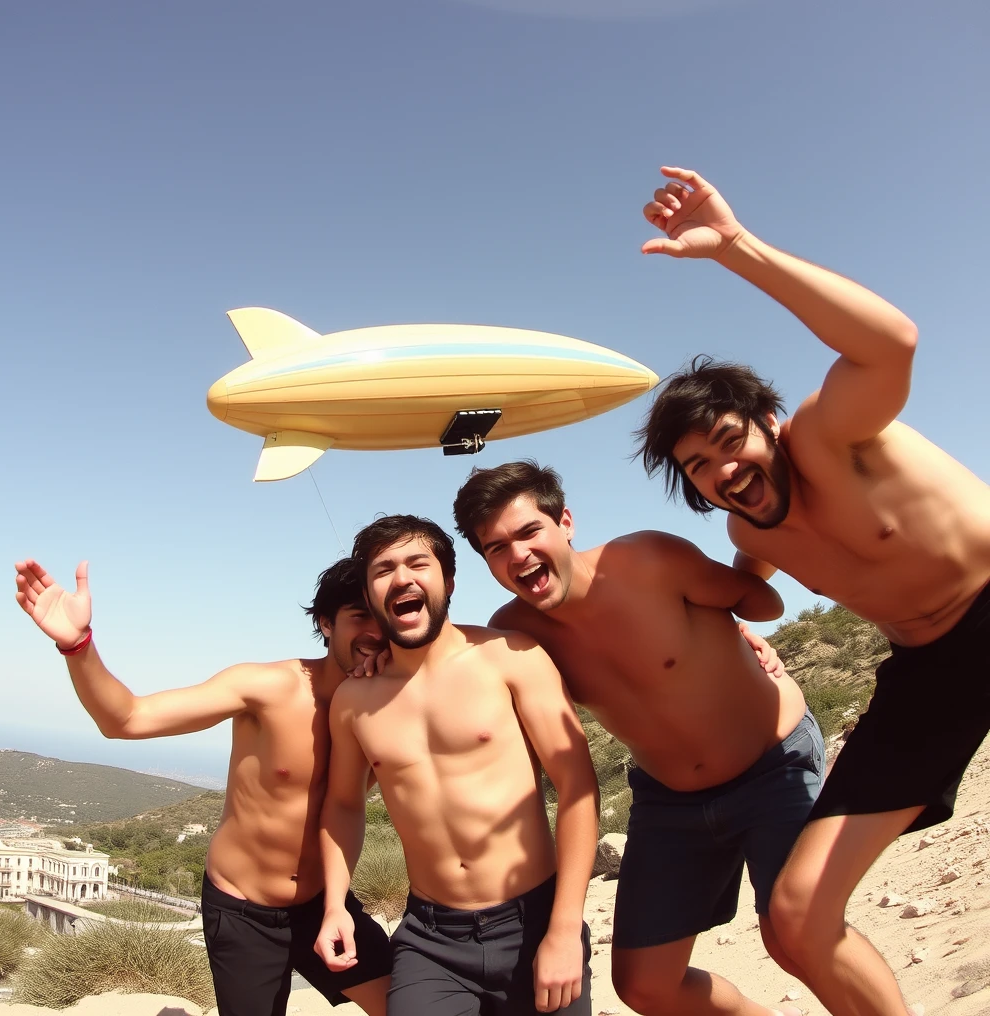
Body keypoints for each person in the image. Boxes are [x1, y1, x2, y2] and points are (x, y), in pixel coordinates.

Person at [638, 165, 990, 1016]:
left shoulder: (833, 436)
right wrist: (737, 626)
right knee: (794, 921)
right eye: (699, 467)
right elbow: (748, 581)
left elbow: (892, 343)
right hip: (927, 676)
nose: (725, 471)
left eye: (731, 442)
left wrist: (737, 249)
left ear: (768, 422)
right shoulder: (746, 532)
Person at [452, 461, 820, 1016]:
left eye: (529, 531)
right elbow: (439, 666)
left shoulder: (646, 558)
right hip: (670, 798)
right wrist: (366, 657)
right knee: (645, 986)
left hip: (772, 761)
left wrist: (738, 630)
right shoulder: (517, 634)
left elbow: (761, 602)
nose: (519, 554)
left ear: (565, 522)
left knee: (798, 935)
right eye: (496, 547)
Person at [14, 556, 393, 1016]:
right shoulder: (267, 687)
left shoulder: (391, 708)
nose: (375, 630)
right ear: (325, 623)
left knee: (404, 1005)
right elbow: (126, 719)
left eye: (384, 615)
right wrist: (77, 645)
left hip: (324, 900)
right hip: (242, 909)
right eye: (360, 615)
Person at [313, 515, 599, 1016]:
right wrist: (336, 904)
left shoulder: (511, 657)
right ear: (369, 591)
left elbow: (577, 785)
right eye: (383, 570)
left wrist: (564, 929)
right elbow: (343, 805)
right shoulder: (354, 701)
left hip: (533, 919)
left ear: (447, 579)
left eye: (418, 563)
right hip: (430, 937)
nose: (402, 578)